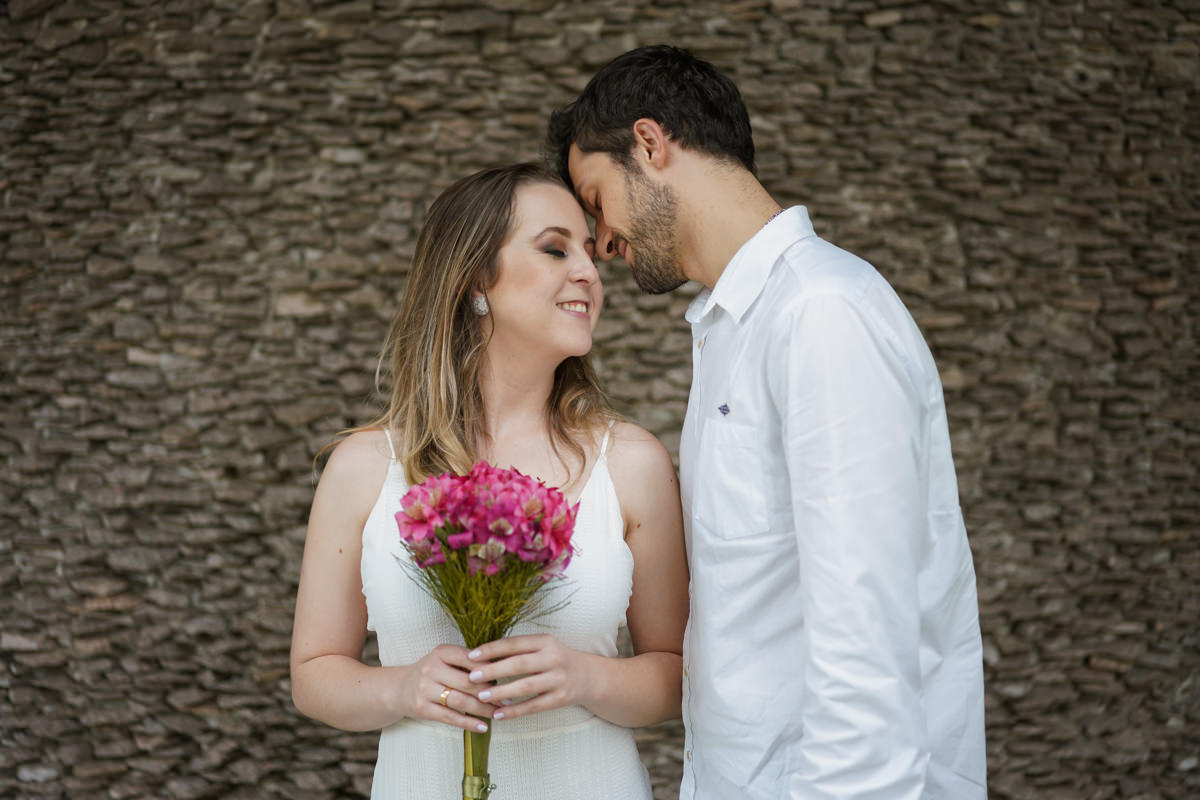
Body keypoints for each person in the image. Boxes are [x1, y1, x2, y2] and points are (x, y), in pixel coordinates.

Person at [547, 45, 987, 799]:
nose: (604, 244)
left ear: (650, 145)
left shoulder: (820, 315)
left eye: (596, 201)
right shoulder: (732, 328)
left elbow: (866, 642)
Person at [289, 162, 689, 799]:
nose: (588, 271)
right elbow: (314, 677)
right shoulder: (365, 467)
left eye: (589, 252)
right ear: (475, 277)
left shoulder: (631, 463)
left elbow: (677, 675)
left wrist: (585, 677)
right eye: (555, 248)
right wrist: (401, 687)